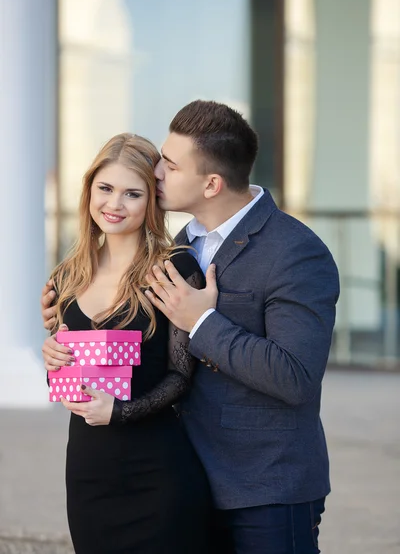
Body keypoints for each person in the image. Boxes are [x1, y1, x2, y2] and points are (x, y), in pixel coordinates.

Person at [42, 101, 340, 554]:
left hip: (264, 488)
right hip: (188, 473)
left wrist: (201, 321)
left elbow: (296, 377)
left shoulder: (295, 252)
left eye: (170, 165)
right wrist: (60, 340)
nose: (157, 171)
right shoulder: (183, 246)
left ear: (211, 183)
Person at [41, 133, 211, 554]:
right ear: (89, 190)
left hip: (156, 470)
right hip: (88, 471)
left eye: (132, 193)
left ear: (151, 200)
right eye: (105, 189)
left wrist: (119, 412)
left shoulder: (174, 268)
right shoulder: (67, 276)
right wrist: (52, 360)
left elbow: (180, 377)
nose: (114, 205)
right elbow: (68, 376)